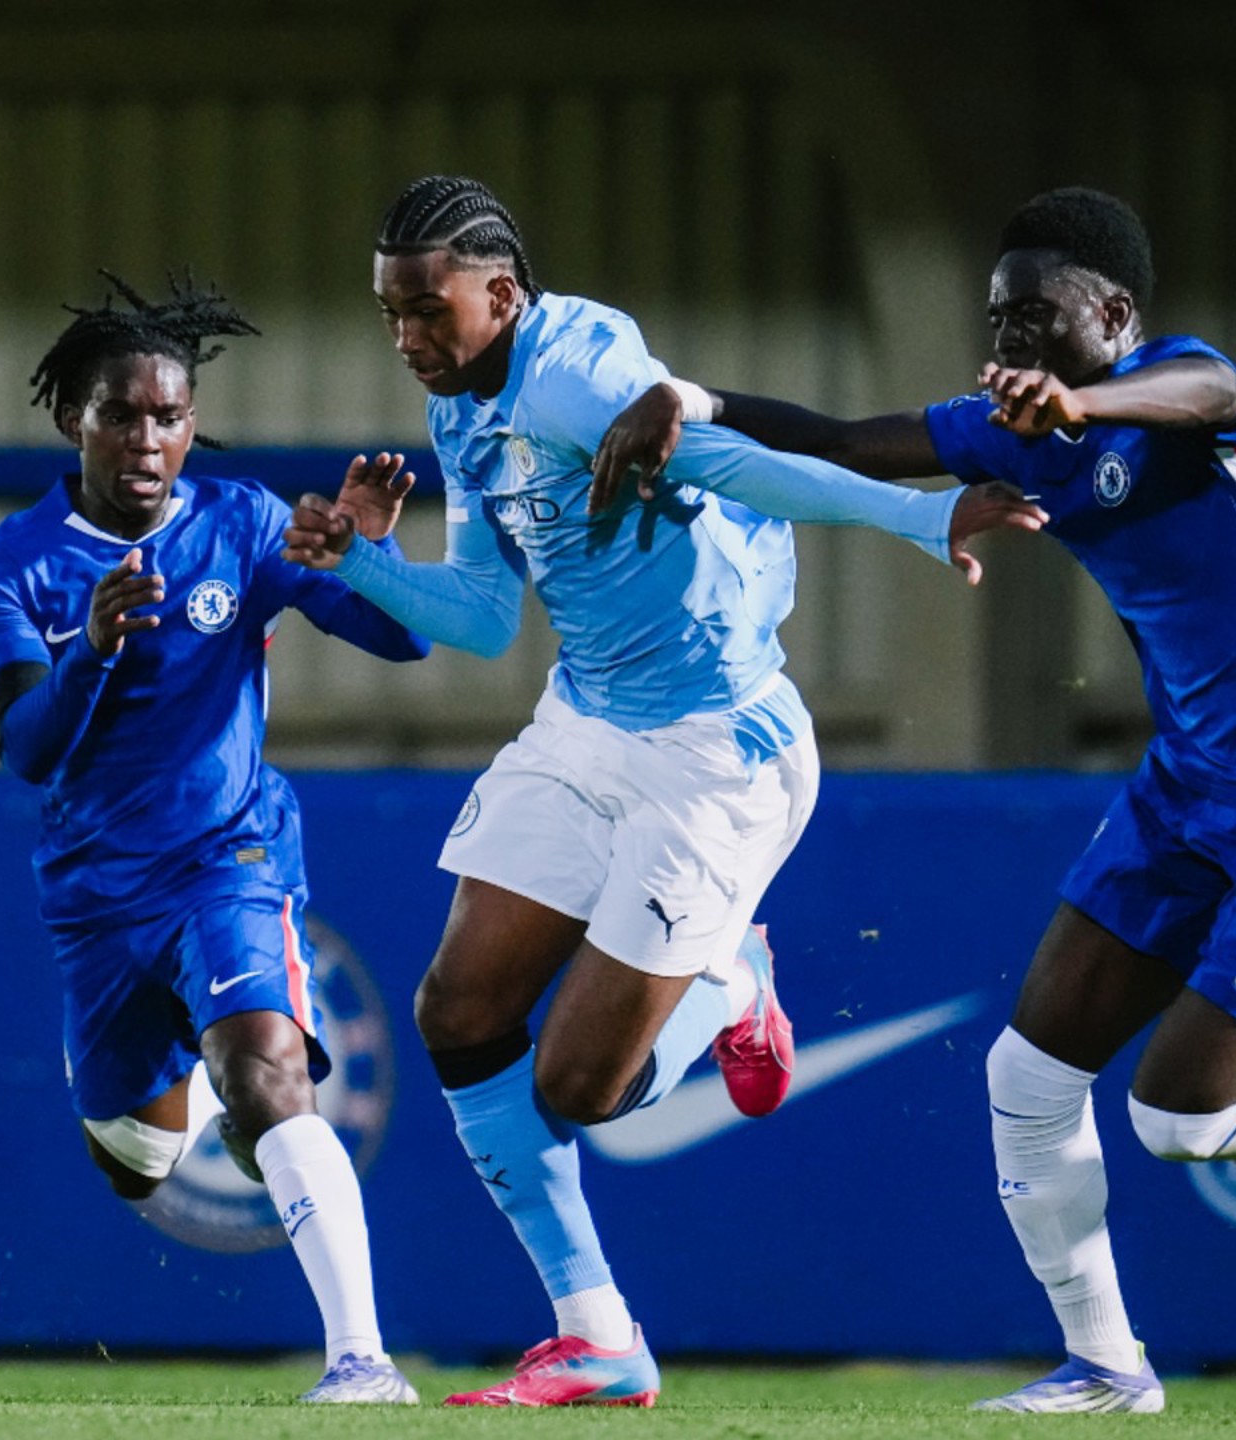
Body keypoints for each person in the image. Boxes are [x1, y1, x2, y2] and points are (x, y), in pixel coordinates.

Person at [597, 185, 1236, 1414]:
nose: (1010, 343)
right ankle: (1105, 1367)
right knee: (1026, 1078)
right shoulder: (1008, 430)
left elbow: (1200, 395)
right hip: (1191, 782)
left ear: (1114, 313)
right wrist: (699, 401)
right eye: (998, 320)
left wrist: (1083, 401)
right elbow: (836, 440)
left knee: (1184, 1124)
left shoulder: (1190, 390)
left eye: (1034, 317)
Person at [281, 174, 1045, 1408]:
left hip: (716, 755)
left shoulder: (575, 372)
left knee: (579, 1091)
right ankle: (599, 1337)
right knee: (457, 1013)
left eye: (428, 310)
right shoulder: (462, 421)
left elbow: (738, 462)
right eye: (390, 316)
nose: (408, 338)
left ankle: (737, 978)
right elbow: (481, 620)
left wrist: (922, 514)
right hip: (584, 723)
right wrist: (368, 563)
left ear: (502, 292)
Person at [0, 272, 429, 1404]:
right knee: (138, 1163)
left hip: (231, 857)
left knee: (271, 1070)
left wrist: (367, 554)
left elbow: (401, 642)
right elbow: (27, 747)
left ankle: (360, 1361)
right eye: (121, 413)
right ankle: (191, 1072)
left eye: (169, 416)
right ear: (73, 415)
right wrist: (93, 651)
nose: (147, 438)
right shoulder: (9, 560)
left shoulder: (245, 522)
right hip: (99, 901)